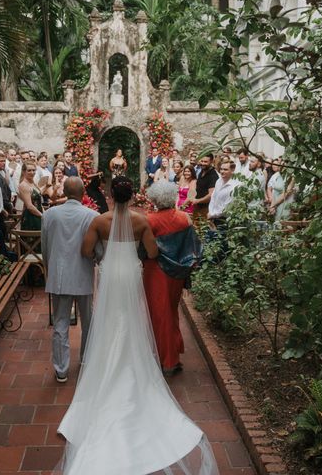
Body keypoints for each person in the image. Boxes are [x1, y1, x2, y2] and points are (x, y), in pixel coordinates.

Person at [58, 176, 219, 475]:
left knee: (108, 319)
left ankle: (106, 367)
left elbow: (85, 251)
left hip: (109, 274)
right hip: (131, 273)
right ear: (132, 197)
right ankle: (132, 364)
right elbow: (153, 253)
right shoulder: (141, 221)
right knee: (131, 319)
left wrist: (102, 255)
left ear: (109, 196)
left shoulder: (100, 221)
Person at [41, 177, 99, 384]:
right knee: (88, 320)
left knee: (60, 323)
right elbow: (97, 249)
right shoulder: (92, 215)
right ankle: (86, 360)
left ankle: (61, 369)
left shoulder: (49, 214)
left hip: (59, 275)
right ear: (83, 193)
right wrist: (97, 259)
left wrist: (50, 269)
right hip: (83, 273)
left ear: (64, 192)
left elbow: (45, 247)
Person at [144, 180, 201, 374]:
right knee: (171, 310)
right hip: (177, 273)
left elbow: (146, 250)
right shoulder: (185, 218)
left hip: (156, 271)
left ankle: (168, 359)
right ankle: (173, 352)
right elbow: (193, 246)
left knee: (160, 315)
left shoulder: (149, 220)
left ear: (155, 198)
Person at [208, 160, 240, 229]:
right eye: (221, 169)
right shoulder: (219, 181)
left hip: (225, 220)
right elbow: (213, 198)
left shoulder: (235, 186)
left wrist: (213, 215)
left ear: (232, 170)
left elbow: (227, 207)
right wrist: (210, 212)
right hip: (213, 217)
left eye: (225, 169)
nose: (222, 171)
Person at [190, 153, 219, 225]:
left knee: (203, 231)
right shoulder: (202, 171)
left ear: (211, 161)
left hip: (206, 208)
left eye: (206, 162)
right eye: (202, 161)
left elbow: (211, 195)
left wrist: (197, 201)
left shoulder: (213, 175)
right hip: (198, 207)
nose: (203, 163)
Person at [18, 161, 43, 230]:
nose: (32, 172)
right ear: (23, 171)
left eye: (33, 170)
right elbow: (29, 206)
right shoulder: (23, 185)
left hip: (38, 213)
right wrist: (42, 215)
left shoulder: (33, 182)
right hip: (31, 216)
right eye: (29, 170)